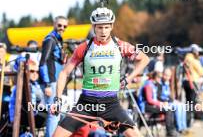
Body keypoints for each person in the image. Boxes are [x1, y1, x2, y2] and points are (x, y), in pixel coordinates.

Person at [51, 7, 149, 137]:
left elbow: (144, 59)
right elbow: (64, 73)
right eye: (99, 27)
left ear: (112, 26)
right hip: (86, 105)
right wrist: (57, 100)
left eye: (106, 27)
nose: (103, 31)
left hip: (111, 104)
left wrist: (128, 79)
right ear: (94, 27)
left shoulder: (120, 46)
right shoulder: (84, 48)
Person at [39, 16, 69, 137]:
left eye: (65, 26)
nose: (62, 28)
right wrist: (46, 84)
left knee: (56, 115)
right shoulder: (50, 39)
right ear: (54, 24)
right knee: (53, 115)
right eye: (59, 25)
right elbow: (42, 63)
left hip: (57, 82)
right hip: (51, 82)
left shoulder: (58, 40)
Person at [138, 71, 177, 137]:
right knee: (168, 110)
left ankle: (172, 129)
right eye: (159, 78)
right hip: (146, 106)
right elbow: (149, 100)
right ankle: (169, 131)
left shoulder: (153, 84)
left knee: (171, 108)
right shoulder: (148, 85)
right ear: (156, 78)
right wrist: (160, 103)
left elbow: (155, 99)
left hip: (152, 105)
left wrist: (163, 103)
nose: (160, 80)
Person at [9, 60, 46, 128]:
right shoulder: (23, 85)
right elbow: (26, 106)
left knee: (53, 116)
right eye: (32, 71)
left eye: (37, 72)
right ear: (26, 72)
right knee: (50, 118)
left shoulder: (35, 85)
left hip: (30, 113)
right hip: (20, 116)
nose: (35, 74)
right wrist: (46, 108)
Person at [158, 68, 187, 133]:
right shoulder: (159, 83)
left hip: (168, 101)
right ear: (162, 74)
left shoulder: (167, 83)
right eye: (166, 75)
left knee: (183, 105)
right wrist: (168, 101)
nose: (167, 77)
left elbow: (168, 95)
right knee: (178, 107)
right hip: (163, 103)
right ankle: (179, 127)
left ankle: (183, 126)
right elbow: (158, 96)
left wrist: (173, 100)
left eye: (168, 76)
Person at [182, 44, 203, 127]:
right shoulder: (194, 60)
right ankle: (189, 122)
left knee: (188, 102)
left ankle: (187, 121)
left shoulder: (186, 58)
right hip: (192, 82)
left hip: (185, 82)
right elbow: (202, 72)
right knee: (192, 103)